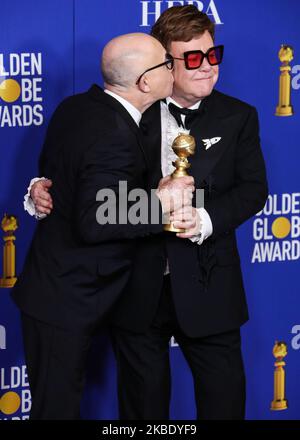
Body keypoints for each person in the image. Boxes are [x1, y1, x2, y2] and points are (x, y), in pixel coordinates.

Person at [27, 6, 268, 420]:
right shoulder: (126, 109)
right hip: (136, 287)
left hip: (209, 284)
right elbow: (86, 178)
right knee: (142, 410)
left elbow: (253, 190)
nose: (208, 67)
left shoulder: (239, 116)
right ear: (163, 64)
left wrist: (205, 220)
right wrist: (39, 187)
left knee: (225, 401)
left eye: (213, 55)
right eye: (193, 58)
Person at [11, 32, 195, 420]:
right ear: (145, 82)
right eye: (166, 62)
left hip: (71, 291)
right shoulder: (113, 132)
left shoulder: (77, 107)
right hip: (65, 299)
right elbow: (95, 218)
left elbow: (62, 175)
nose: (173, 67)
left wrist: (40, 187)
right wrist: (161, 201)